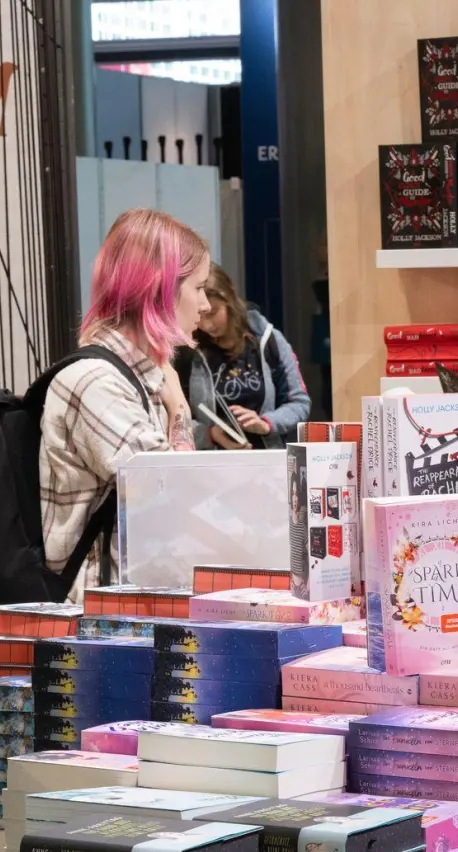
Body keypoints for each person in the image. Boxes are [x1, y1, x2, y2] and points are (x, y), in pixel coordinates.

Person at [39, 208, 210, 578]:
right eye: (198, 288)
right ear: (159, 289)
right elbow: (174, 495)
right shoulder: (97, 384)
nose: (206, 304)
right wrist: (179, 406)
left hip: (130, 603)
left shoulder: (141, 377)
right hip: (99, 616)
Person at [174, 263, 310, 449]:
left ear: (228, 299)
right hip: (212, 465)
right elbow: (175, 416)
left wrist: (266, 424)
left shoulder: (268, 340)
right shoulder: (187, 349)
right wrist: (210, 434)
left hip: (266, 460)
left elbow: (299, 402)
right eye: (200, 315)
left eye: (213, 313)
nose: (207, 325)